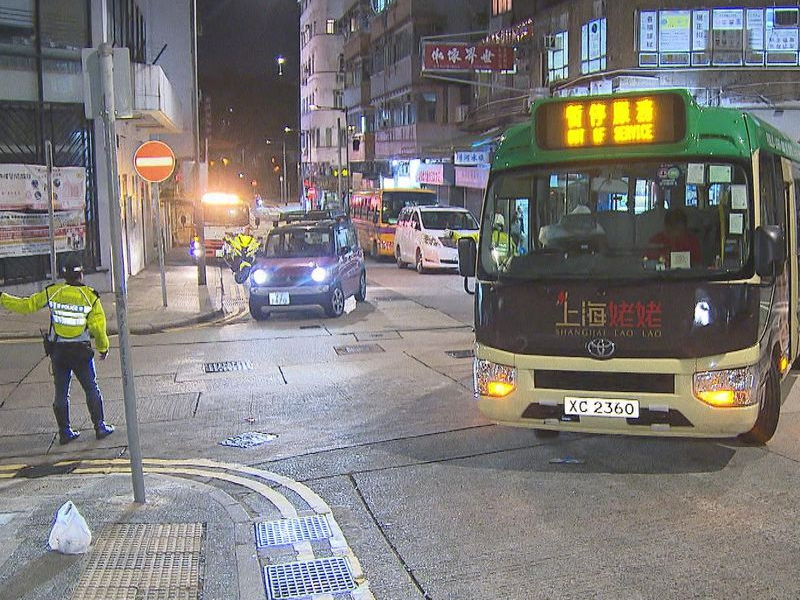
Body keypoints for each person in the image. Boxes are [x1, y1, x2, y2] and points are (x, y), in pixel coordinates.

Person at [0, 258, 114, 445]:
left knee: (61, 393)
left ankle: (65, 432)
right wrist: (103, 348)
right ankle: (100, 427)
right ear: (81, 274)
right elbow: (98, 328)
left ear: (64, 276)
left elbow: (26, 305)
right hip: (81, 353)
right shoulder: (90, 296)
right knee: (91, 388)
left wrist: (3, 298)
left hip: (59, 353)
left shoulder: (53, 292)